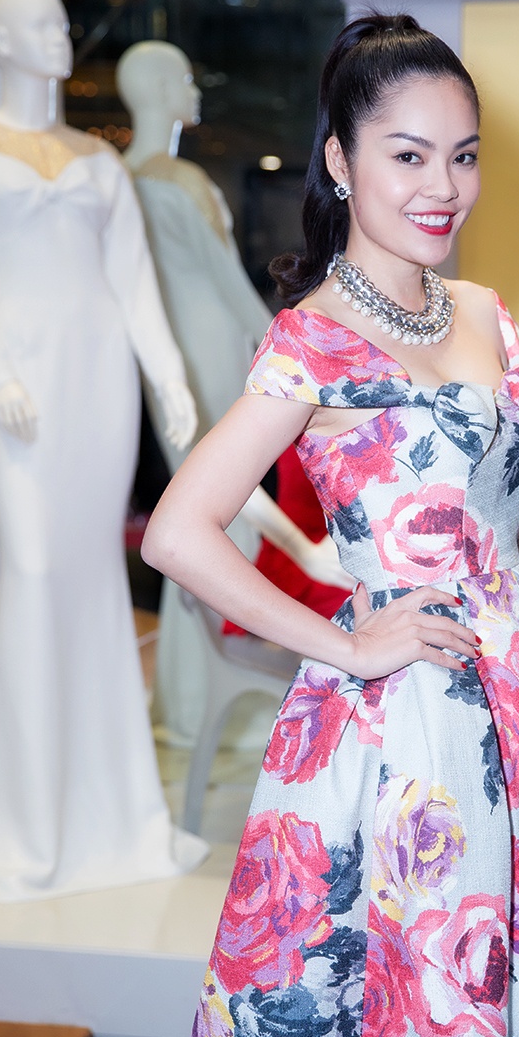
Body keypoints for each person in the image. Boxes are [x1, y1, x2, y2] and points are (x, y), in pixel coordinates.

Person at [144, 14, 519, 1037]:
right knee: (431, 993)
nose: (444, 187)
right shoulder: (311, 341)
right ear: (340, 162)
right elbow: (176, 532)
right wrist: (346, 645)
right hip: (409, 720)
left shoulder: (484, 312)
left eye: (463, 156)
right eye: (409, 155)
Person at [0, 0, 206, 899]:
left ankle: (111, 814)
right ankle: (28, 825)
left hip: (97, 387)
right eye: (38, 23)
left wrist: (170, 380)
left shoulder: (99, 161)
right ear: (0, 40)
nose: (59, 34)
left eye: (59, 21)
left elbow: (134, 287)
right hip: (17, 387)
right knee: (30, 572)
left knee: (88, 580)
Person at [117, 40, 349, 748]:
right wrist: (287, 338)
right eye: (185, 79)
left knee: (202, 508)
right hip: (213, 341)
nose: (196, 90)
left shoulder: (122, 177)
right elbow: (225, 280)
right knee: (220, 510)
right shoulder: (176, 179)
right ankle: (218, 703)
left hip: (171, 347)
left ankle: (193, 701)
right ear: (157, 89)